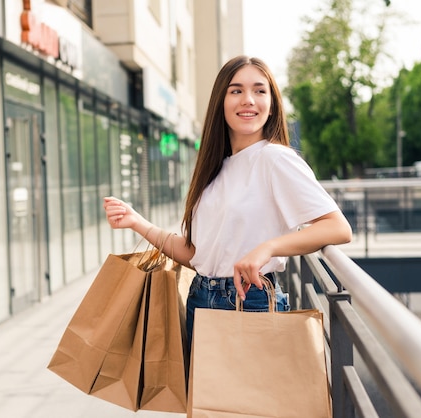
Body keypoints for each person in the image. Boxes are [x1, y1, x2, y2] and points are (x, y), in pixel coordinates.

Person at [103, 55, 352, 347]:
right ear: (221, 102)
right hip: (201, 300)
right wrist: (138, 223)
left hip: (251, 301)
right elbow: (197, 256)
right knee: (205, 395)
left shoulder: (275, 159)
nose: (248, 99)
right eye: (236, 91)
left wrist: (268, 248)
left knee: (253, 395)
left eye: (260, 91)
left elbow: (337, 228)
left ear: (271, 106)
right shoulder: (216, 169)